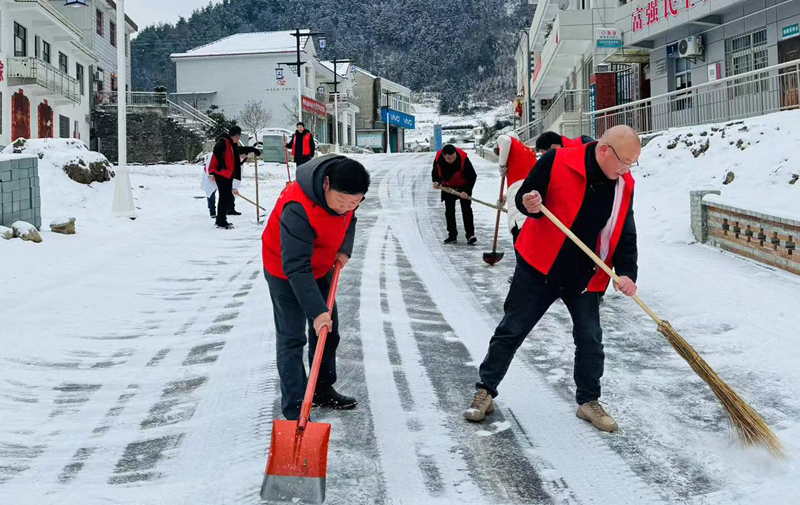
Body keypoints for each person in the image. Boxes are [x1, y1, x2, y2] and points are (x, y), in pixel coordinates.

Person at [465, 125, 641, 433]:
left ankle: (589, 401)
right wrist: (530, 203)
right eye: (625, 162)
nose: (627, 170)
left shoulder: (623, 185)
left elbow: (625, 231)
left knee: (590, 339)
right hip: (539, 266)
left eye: (632, 163)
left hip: (585, 274)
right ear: (604, 150)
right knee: (511, 329)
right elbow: (526, 195)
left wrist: (627, 272)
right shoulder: (557, 160)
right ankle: (485, 390)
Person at [262, 154, 371, 421]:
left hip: (322, 265)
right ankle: (295, 409)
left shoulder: (348, 197)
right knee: (292, 338)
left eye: (354, 202)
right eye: (341, 201)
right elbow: (296, 266)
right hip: (286, 271)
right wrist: (317, 311)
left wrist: (344, 248)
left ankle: (321, 388)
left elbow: (349, 220)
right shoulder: (297, 206)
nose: (346, 207)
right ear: (326, 184)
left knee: (327, 333)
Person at [203, 135, 260, 220]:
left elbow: (238, 159)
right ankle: (212, 211)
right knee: (211, 192)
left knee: (227, 193)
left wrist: (247, 154)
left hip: (224, 176)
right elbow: (209, 166)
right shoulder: (216, 153)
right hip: (213, 177)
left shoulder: (230, 150)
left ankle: (230, 209)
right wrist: (211, 175)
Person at [495, 131, 537, 244]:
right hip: (532, 188)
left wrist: (502, 165)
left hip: (518, 190)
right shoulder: (528, 151)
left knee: (518, 223)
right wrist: (504, 198)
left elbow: (505, 140)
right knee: (529, 224)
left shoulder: (507, 140)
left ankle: (520, 253)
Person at [432, 144, 477, 245]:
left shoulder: (463, 159)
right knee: (449, 211)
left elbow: (472, 176)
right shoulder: (438, 159)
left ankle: (470, 235)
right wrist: (436, 181)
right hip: (448, 188)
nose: (451, 160)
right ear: (443, 155)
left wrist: (466, 191)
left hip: (464, 186)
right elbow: (435, 172)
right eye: (448, 158)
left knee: (466, 210)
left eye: (453, 157)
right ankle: (452, 236)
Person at [207, 126, 244, 229]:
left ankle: (220, 220)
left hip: (227, 174)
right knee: (224, 197)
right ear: (236, 135)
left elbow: (237, 153)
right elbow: (216, 152)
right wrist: (220, 166)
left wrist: (252, 150)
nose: (239, 139)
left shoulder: (231, 143)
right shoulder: (223, 141)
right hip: (221, 174)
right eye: (239, 136)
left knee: (226, 197)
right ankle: (221, 222)